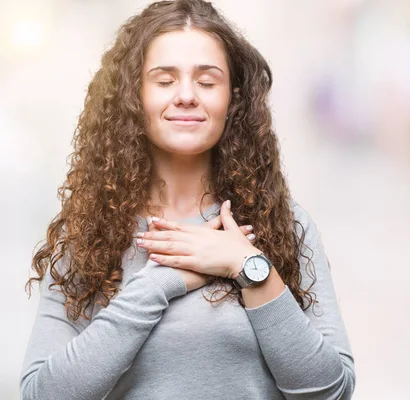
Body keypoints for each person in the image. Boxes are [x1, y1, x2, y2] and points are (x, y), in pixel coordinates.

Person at [20, 1, 355, 399]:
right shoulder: (90, 231)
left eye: (207, 82)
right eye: (164, 80)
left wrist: (246, 264)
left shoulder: (282, 224)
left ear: (233, 99)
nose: (185, 96)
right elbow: (44, 394)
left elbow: (330, 390)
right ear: (134, 95)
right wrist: (162, 283)